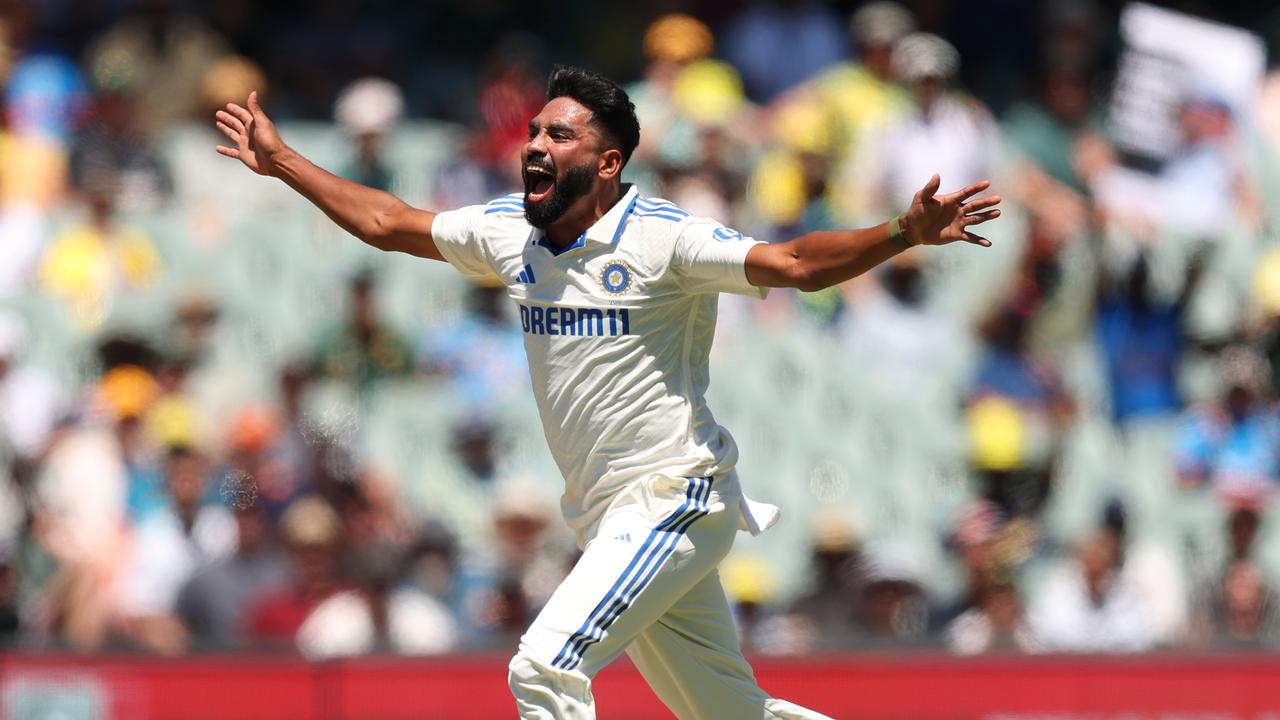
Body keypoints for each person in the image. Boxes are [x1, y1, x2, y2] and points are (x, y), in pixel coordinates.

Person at [215, 65, 1000, 720]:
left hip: (672, 495)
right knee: (730, 716)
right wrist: (283, 160)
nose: (534, 145)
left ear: (607, 163)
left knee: (542, 668)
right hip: (607, 515)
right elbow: (389, 220)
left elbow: (794, 263)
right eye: (533, 132)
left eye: (559, 135)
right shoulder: (509, 233)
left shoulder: (664, 238)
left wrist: (900, 233)